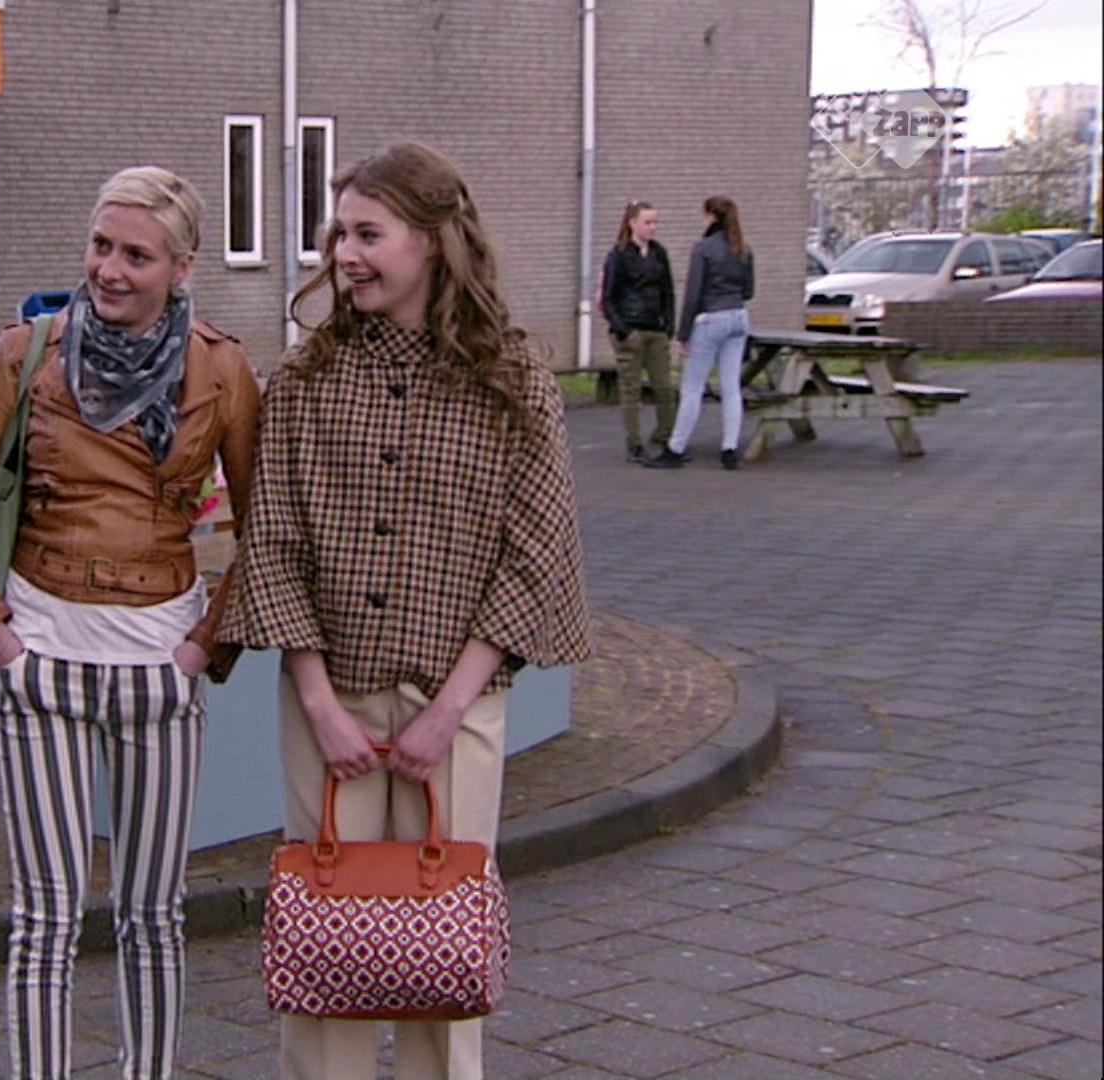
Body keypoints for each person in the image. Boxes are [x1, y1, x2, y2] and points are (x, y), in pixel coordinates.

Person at [219, 142, 590, 1080]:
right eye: (339, 234)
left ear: (432, 239)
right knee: (329, 948)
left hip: (456, 705)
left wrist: (447, 711)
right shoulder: (305, 380)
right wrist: (319, 705)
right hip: (329, 703)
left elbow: (535, 551)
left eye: (369, 234)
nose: (346, 254)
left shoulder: (513, 381)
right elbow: (273, 544)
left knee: (444, 949)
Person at [0, 166, 260, 1080]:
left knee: (154, 917)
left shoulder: (223, 370)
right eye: (101, 246)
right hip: (41, 667)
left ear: (181, 267)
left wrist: (203, 648)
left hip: (160, 674)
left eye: (136, 255)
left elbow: (268, 529)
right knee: (45, 918)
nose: (109, 269)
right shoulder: (28, 352)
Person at [642, 194, 755, 470]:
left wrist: (682, 334)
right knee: (731, 387)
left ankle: (676, 448)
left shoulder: (703, 249)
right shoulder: (743, 248)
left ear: (711, 216)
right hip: (738, 317)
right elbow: (749, 291)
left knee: (692, 388)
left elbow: (693, 295)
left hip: (710, 319)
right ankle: (729, 449)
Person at [601, 200, 676, 461]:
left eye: (655, 222)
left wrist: (668, 324)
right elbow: (608, 298)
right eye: (647, 222)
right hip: (630, 329)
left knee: (664, 387)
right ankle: (634, 442)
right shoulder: (619, 255)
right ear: (633, 223)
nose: (652, 227)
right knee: (631, 390)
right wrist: (622, 330)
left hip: (656, 329)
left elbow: (667, 291)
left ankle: (665, 435)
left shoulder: (659, 253)